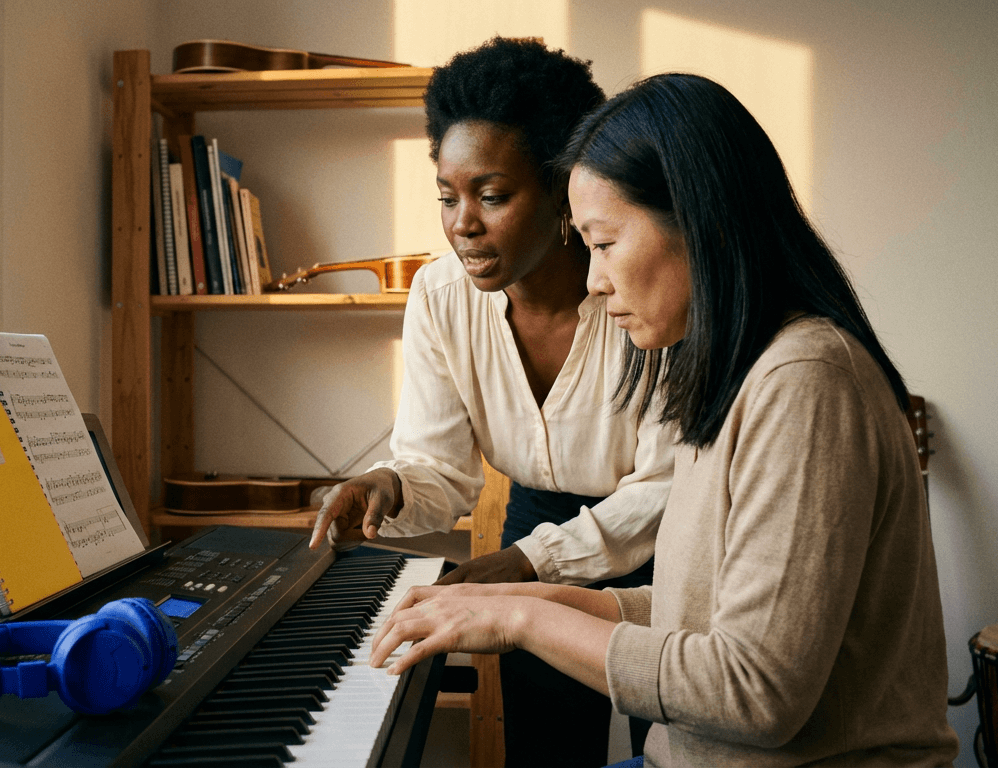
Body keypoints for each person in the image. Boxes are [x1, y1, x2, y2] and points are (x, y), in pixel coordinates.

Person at [369, 73, 961, 768]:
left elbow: (754, 691)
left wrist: (520, 615)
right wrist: (523, 601)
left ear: (697, 220)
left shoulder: (807, 383)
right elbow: (697, 610)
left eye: (604, 243)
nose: (592, 281)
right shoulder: (740, 371)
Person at [308, 38, 675, 765]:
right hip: (533, 526)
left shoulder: (645, 290)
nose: (462, 224)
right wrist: (389, 485)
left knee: (671, 747)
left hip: (663, 543)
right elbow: (440, 472)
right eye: (447, 195)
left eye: (493, 195)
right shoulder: (439, 299)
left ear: (563, 187)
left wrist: (527, 565)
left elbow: (666, 487)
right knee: (542, 750)